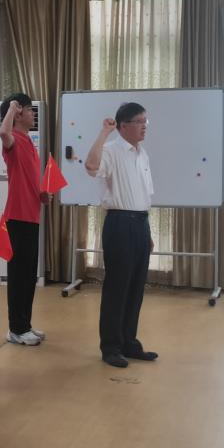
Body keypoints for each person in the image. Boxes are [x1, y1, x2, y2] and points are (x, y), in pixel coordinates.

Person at [85, 103, 158, 368]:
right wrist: (104, 133)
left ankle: (129, 342)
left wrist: (147, 232)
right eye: (140, 122)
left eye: (146, 121)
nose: (144, 127)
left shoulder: (142, 153)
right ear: (124, 125)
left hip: (140, 223)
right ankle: (111, 347)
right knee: (117, 287)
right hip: (119, 223)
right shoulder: (111, 150)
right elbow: (91, 166)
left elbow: (144, 195)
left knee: (136, 287)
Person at [0, 94, 49, 346]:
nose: (33, 114)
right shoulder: (13, 140)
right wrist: (10, 107)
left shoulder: (28, 141)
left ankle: (24, 325)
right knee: (19, 277)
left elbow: (29, 178)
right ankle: (16, 329)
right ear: (18, 114)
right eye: (29, 109)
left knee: (29, 276)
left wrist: (41, 193)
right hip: (17, 218)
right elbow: (3, 133)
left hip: (31, 215)